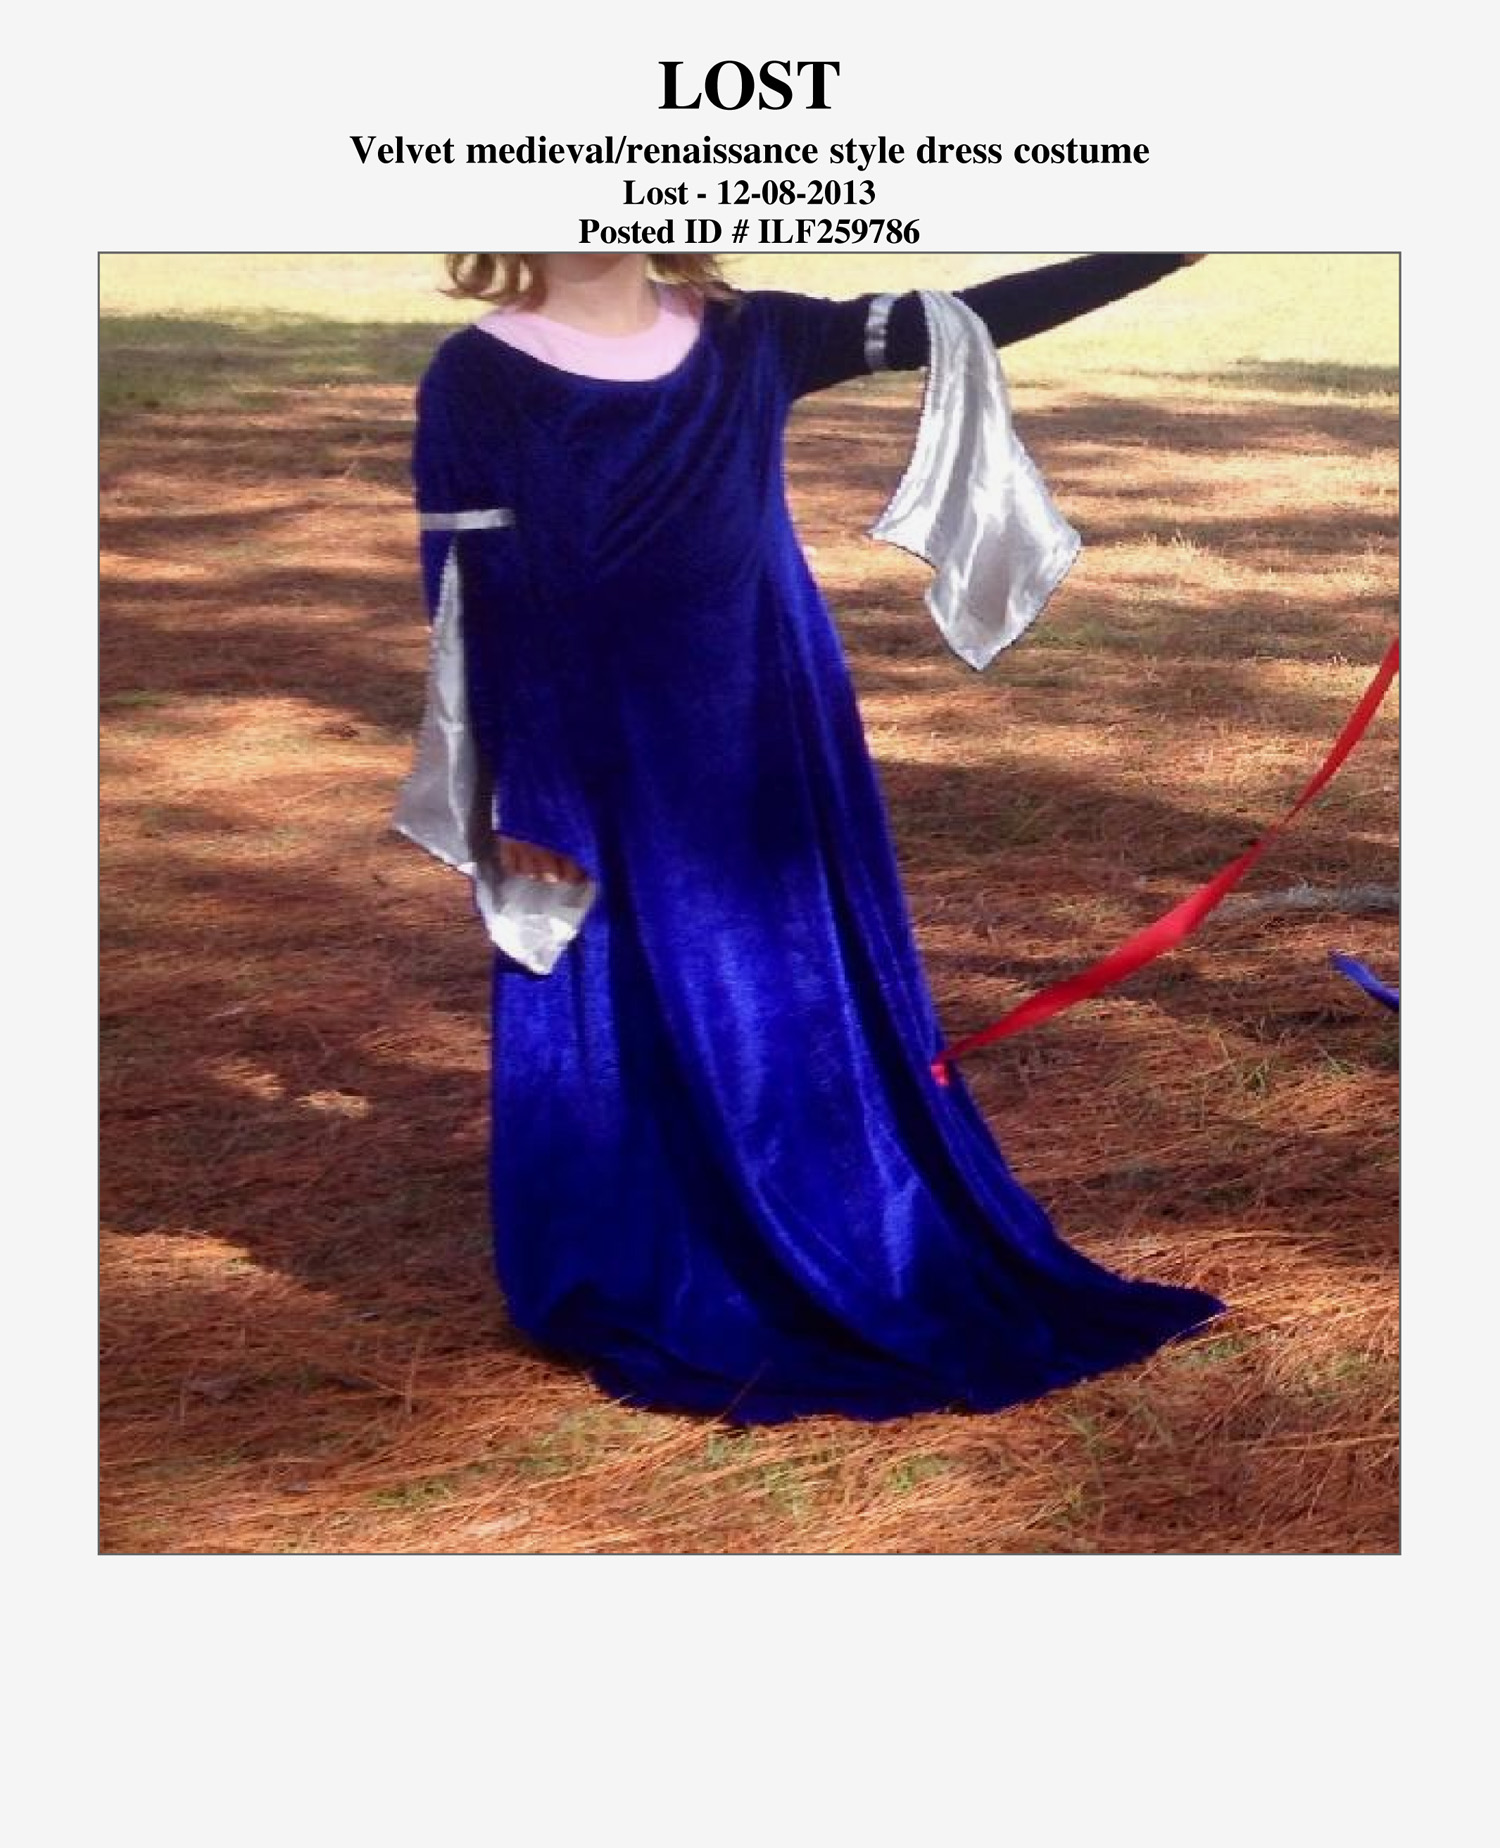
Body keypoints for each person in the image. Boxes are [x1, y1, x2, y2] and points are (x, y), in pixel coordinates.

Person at [399, 251, 1224, 1425]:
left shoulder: (751, 337)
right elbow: (468, 583)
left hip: (766, 716)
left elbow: (961, 320)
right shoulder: (478, 374)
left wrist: (1163, 244)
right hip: (595, 743)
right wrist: (518, 784)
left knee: (791, 975)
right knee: (630, 990)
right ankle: (659, 1244)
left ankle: (840, 1208)